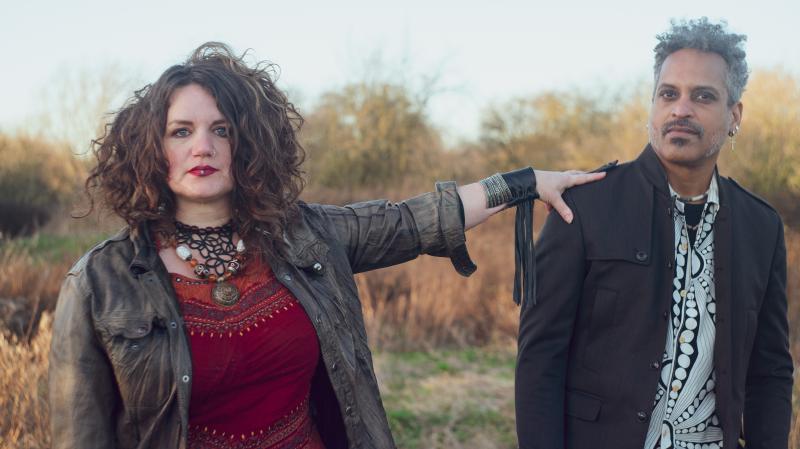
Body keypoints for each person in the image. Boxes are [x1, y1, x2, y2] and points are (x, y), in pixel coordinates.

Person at [48, 42, 605, 449]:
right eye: (181, 131)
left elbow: (415, 220)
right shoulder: (100, 283)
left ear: (249, 145)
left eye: (222, 130)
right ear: (151, 148)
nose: (203, 146)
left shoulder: (303, 234)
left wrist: (524, 182)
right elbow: (81, 434)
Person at [515, 17, 793, 449]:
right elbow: (539, 359)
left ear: (734, 116)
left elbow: (770, 370)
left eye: (703, 96)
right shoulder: (584, 207)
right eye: (668, 94)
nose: (681, 109)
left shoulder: (761, 227)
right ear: (653, 105)